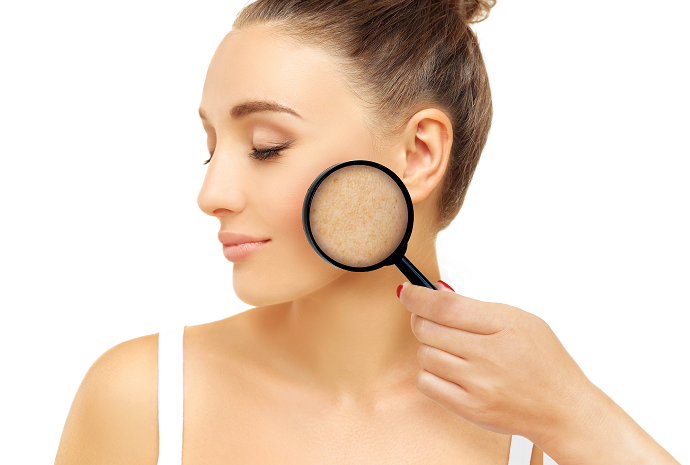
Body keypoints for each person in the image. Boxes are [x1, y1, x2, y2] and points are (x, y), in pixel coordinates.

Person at [54, 1, 680, 464]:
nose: (211, 194)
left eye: (266, 146)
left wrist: (576, 416)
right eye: (211, 147)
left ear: (419, 153)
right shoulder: (145, 399)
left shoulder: (530, 428)